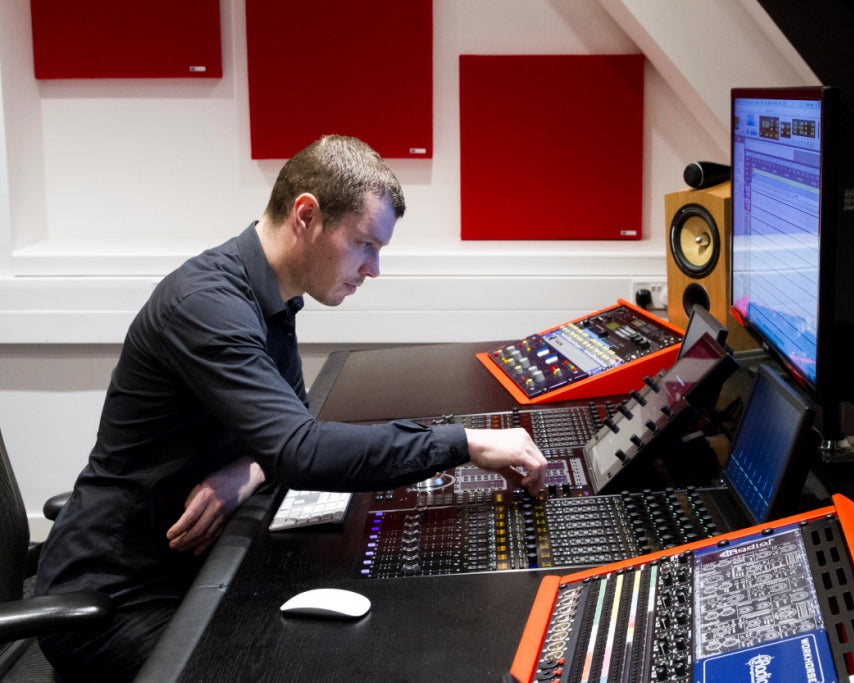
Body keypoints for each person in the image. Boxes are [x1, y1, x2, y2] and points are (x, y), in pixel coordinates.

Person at [35, 135, 548, 681]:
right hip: (112, 602)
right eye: (363, 244)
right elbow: (301, 449)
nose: (373, 269)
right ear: (307, 214)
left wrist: (248, 468)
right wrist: (463, 442)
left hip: (187, 571)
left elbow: (285, 428)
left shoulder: (271, 296)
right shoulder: (207, 306)